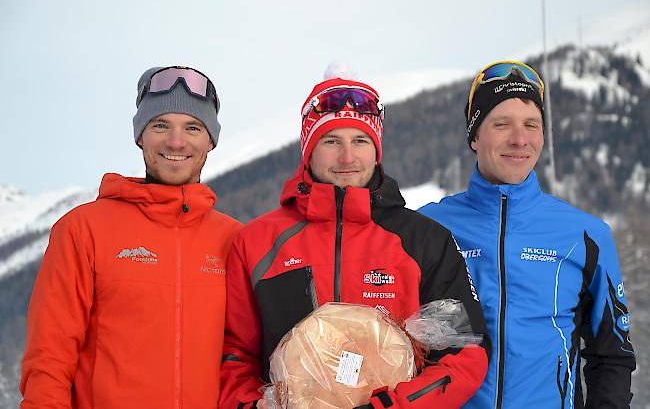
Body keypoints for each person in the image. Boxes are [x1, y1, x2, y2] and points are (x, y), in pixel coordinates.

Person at [219, 65, 490, 409]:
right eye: (331, 141)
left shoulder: (423, 241)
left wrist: (393, 406)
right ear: (308, 150)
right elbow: (235, 356)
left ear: (377, 151)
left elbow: (463, 354)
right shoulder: (258, 242)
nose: (347, 157)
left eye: (360, 141)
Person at [20, 66, 243, 409]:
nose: (176, 141)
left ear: (210, 140)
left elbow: (245, 359)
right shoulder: (83, 230)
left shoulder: (234, 239)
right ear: (140, 135)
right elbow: (48, 359)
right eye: (160, 125)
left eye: (193, 128)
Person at [418, 60, 636, 408]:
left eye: (531, 124)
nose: (519, 139)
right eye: (501, 124)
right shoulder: (428, 228)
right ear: (474, 136)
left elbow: (612, 357)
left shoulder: (587, 235)